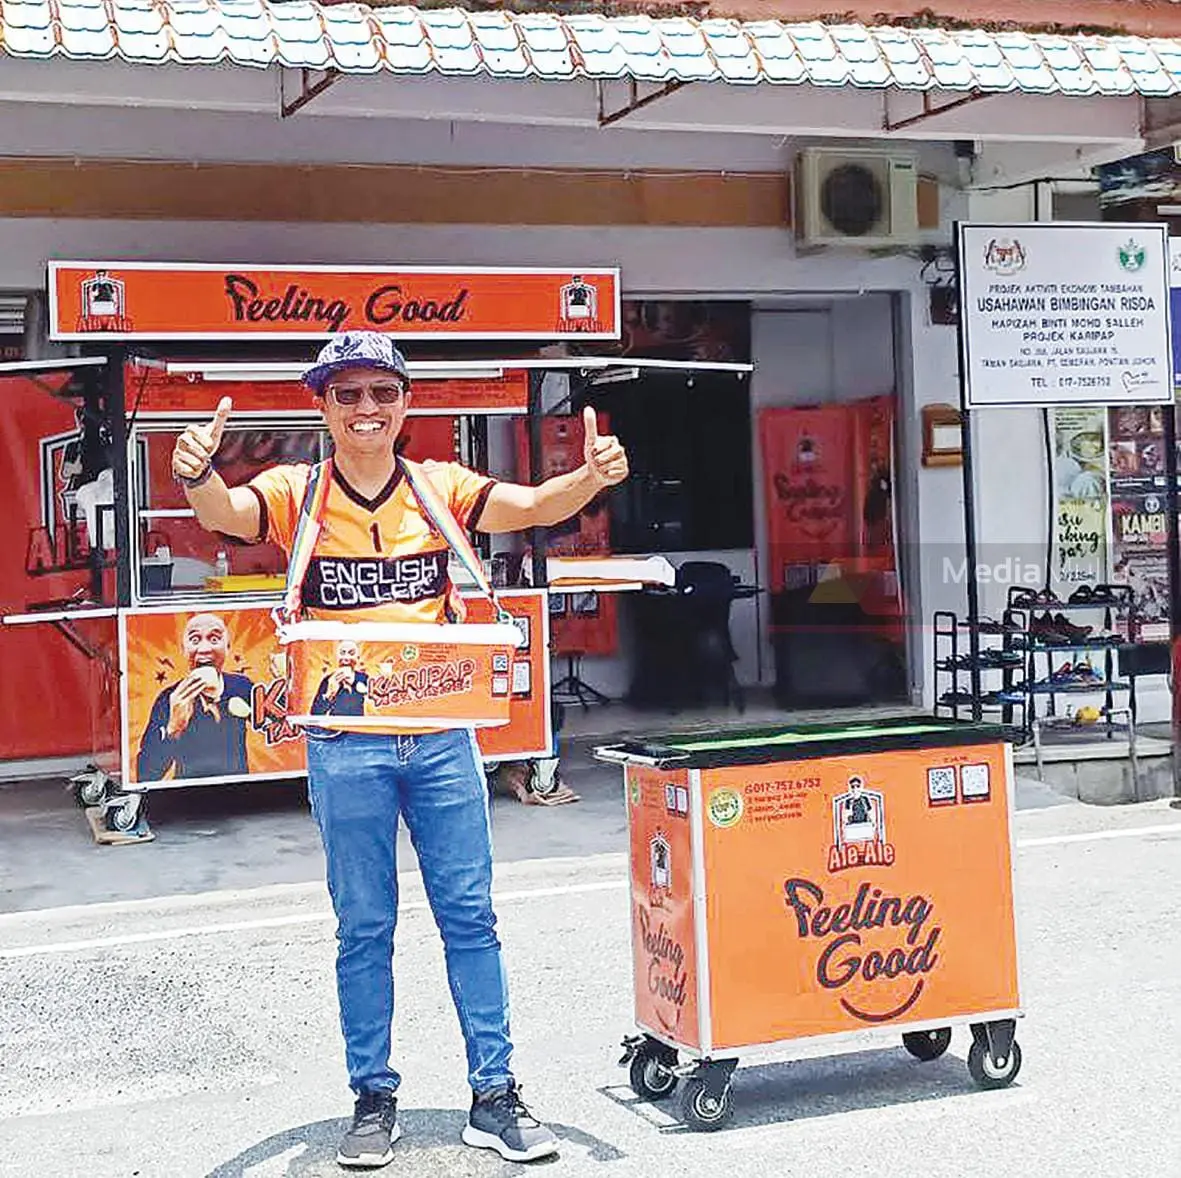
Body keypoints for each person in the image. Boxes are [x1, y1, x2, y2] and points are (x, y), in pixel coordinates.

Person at [171, 330, 628, 1170]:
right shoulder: (295, 492)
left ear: (406, 404)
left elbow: (529, 507)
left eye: (382, 393)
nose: (366, 409)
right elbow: (225, 517)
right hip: (345, 744)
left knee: (470, 920)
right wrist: (197, 470)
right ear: (323, 408)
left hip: (441, 738)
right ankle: (371, 1099)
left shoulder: (441, 487)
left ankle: (494, 1096)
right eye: (347, 394)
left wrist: (590, 479)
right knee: (363, 928)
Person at [136, 613, 253, 782]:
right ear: (184, 650)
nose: (204, 649)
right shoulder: (169, 698)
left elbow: (276, 723)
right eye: (195, 640)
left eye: (214, 639)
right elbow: (146, 774)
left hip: (238, 787)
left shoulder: (241, 686)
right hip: (186, 792)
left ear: (227, 646)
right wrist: (173, 728)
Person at [312, 639, 370, 718]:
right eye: (342, 653)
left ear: (357, 658)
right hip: (334, 727)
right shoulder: (328, 680)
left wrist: (354, 683)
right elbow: (315, 713)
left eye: (351, 653)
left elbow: (374, 701)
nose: (346, 658)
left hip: (357, 727)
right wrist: (329, 693)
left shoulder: (363, 678)